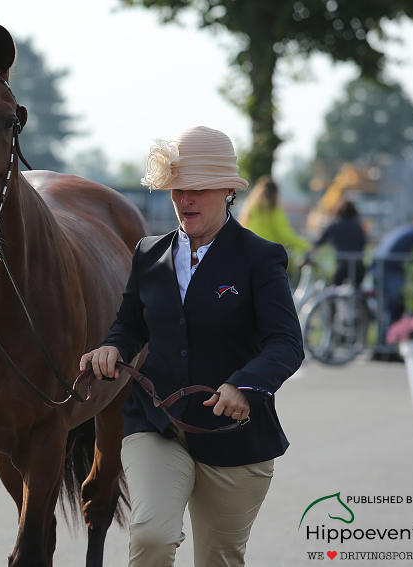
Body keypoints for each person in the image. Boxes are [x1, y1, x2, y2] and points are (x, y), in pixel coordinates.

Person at [79, 126, 304, 567]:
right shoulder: (148, 253)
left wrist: (246, 385)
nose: (185, 200)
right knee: (152, 537)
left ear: (228, 191)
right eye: (178, 189)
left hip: (234, 436)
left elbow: (286, 342)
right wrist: (112, 349)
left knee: (218, 559)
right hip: (156, 424)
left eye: (198, 190)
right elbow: (129, 326)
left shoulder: (261, 258)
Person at [371, 215, 413, 360]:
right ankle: (389, 351)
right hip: (390, 274)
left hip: (380, 270)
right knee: (393, 311)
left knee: (385, 312)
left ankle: (380, 350)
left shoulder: (405, 230)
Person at [238, 175, 310, 254]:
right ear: (275, 194)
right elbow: (285, 234)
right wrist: (306, 247)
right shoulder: (274, 210)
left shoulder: (250, 208)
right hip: (267, 253)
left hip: (248, 251)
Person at [311, 199, 367, 288]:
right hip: (358, 265)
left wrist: (312, 250)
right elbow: (363, 243)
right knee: (357, 292)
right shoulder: (358, 226)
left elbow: (320, 241)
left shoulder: (334, 225)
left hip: (342, 264)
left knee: (335, 290)